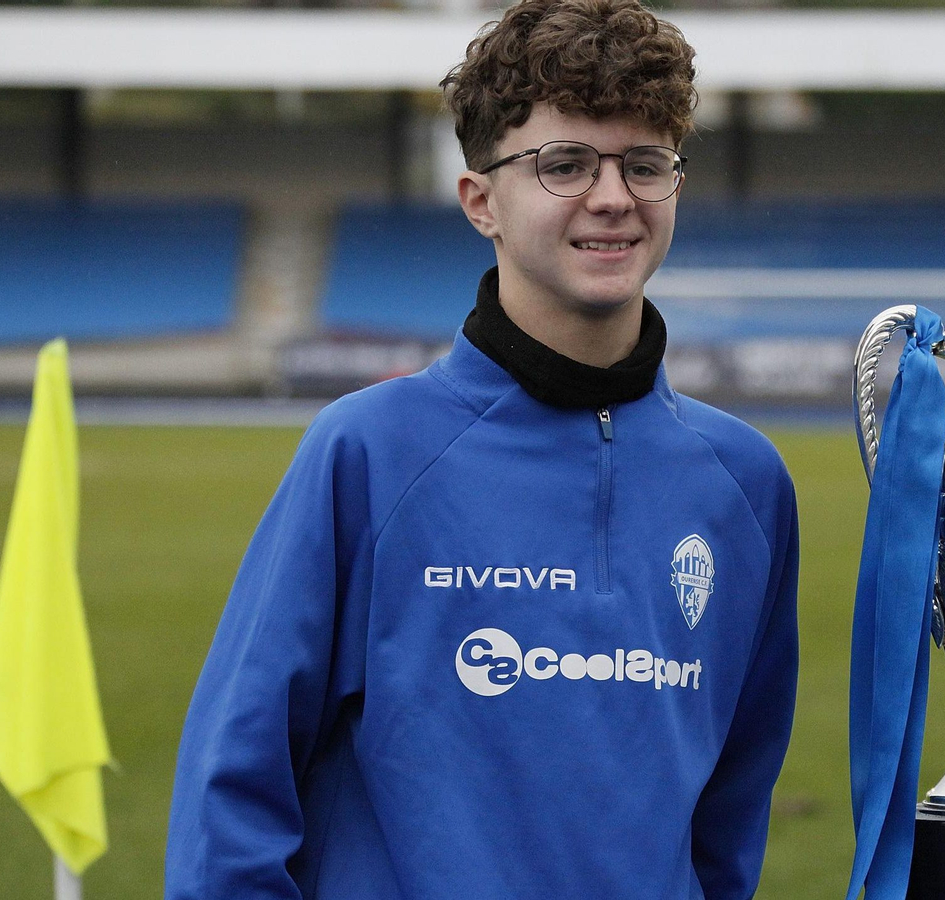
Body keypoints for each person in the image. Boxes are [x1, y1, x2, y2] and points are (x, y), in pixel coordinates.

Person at [163, 0, 800, 896]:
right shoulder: (369, 453)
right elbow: (233, 788)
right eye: (564, 164)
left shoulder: (745, 483)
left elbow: (732, 806)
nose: (612, 197)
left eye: (644, 164)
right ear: (480, 201)